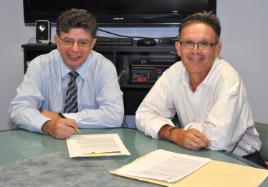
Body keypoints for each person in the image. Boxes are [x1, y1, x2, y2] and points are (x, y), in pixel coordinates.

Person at [136, 11, 266, 167]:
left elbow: (218, 140)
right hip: (194, 157)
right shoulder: (174, 72)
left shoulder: (228, 78)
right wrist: (176, 134)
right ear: (179, 48)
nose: (195, 51)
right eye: (188, 43)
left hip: (239, 162)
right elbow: (143, 115)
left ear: (217, 50)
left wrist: (184, 133)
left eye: (204, 44)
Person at [9, 9, 124, 139]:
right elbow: (18, 110)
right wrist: (48, 125)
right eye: (67, 41)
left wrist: (61, 117)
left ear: (92, 44)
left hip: (91, 141)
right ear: (57, 41)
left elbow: (115, 116)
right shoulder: (40, 65)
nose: (75, 49)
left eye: (83, 42)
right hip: (49, 142)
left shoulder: (104, 67)